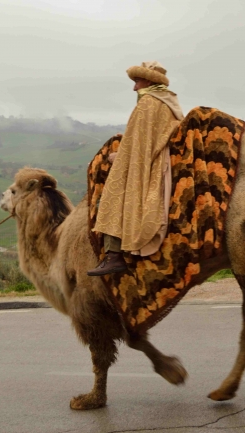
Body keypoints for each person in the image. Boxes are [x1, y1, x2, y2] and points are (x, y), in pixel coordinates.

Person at [88, 61, 184, 276]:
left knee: (113, 197)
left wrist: (117, 157)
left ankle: (113, 255)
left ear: (149, 81)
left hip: (149, 163)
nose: (134, 88)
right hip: (159, 158)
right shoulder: (167, 102)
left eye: (137, 82)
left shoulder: (148, 103)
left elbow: (139, 146)